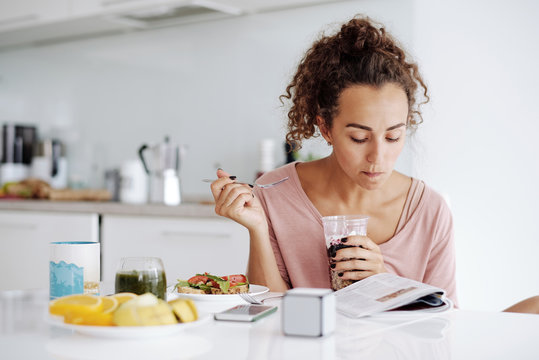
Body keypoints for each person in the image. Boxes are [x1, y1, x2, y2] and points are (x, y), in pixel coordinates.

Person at [210, 15, 538, 314]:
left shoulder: (430, 211)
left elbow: (446, 325)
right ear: (325, 128)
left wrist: (383, 282)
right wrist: (257, 228)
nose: (378, 158)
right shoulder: (276, 192)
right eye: (359, 138)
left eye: (393, 137)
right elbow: (269, 314)